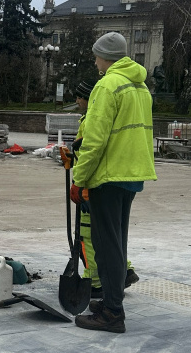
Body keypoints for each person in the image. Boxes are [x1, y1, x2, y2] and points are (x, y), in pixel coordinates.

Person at [71, 32, 156, 333]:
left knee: (106, 245)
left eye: (96, 56)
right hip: (130, 174)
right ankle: (110, 299)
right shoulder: (139, 85)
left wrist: (79, 179)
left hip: (107, 176)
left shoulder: (107, 85)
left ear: (106, 55)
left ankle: (112, 313)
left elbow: (94, 139)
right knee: (117, 241)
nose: (95, 61)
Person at [71, 80, 139, 299]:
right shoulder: (102, 114)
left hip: (94, 182)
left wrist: (79, 179)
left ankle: (97, 280)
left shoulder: (93, 118)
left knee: (89, 235)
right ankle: (124, 270)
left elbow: (91, 148)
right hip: (109, 180)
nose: (76, 101)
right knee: (112, 233)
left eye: (79, 97)